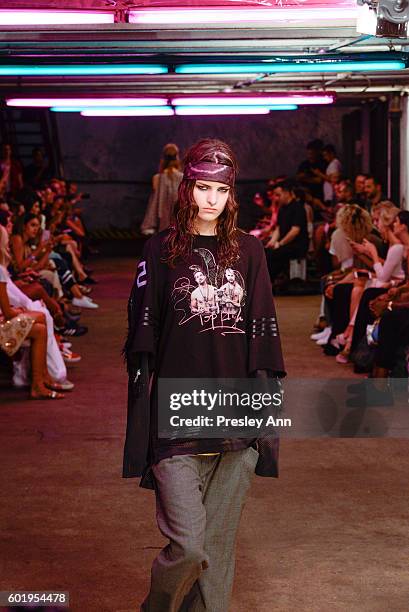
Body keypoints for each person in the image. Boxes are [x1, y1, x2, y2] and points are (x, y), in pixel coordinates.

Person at [123, 138, 285, 612]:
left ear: (231, 195)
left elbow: (265, 341)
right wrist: (141, 429)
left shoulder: (251, 252)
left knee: (216, 550)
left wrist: (266, 426)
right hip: (175, 418)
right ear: (186, 188)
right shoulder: (159, 251)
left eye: (220, 190)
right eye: (203, 187)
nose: (210, 199)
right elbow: (142, 343)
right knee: (190, 547)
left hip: (235, 418)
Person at [264, 179, 309, 282]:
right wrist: (272, 242)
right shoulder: (282, 209)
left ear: (287, 193)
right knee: (265, 252)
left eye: (278, 195)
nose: (276, 198)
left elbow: (295, 231)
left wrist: (280, 243)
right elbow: (279, 228)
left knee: (273, 256)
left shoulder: (298, 208)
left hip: (296, 245)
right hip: (284, 244)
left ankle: (269, 282)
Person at [140, 143, 183, 235]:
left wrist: (149, 224)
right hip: (180, 222)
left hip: (162, 222)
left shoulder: (157, 178)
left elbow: (154, 203)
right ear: (177, 157)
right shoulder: (183, 178)